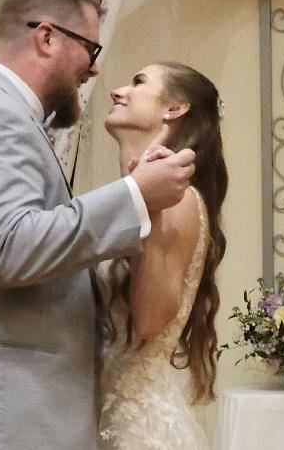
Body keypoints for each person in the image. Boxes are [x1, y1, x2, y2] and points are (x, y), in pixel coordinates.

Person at [0, 0, 196, 450]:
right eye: (91, 51)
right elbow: (12, 247)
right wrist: (135, 195)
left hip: (4, 411)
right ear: (47, 37)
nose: (94, 71)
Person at [97, 62, 228, 449]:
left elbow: (151, 322)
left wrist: (148, 208)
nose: (119, 91)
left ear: (175, 108)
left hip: (134, 428)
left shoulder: (177, 201)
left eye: (138, 82)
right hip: (105, 413)